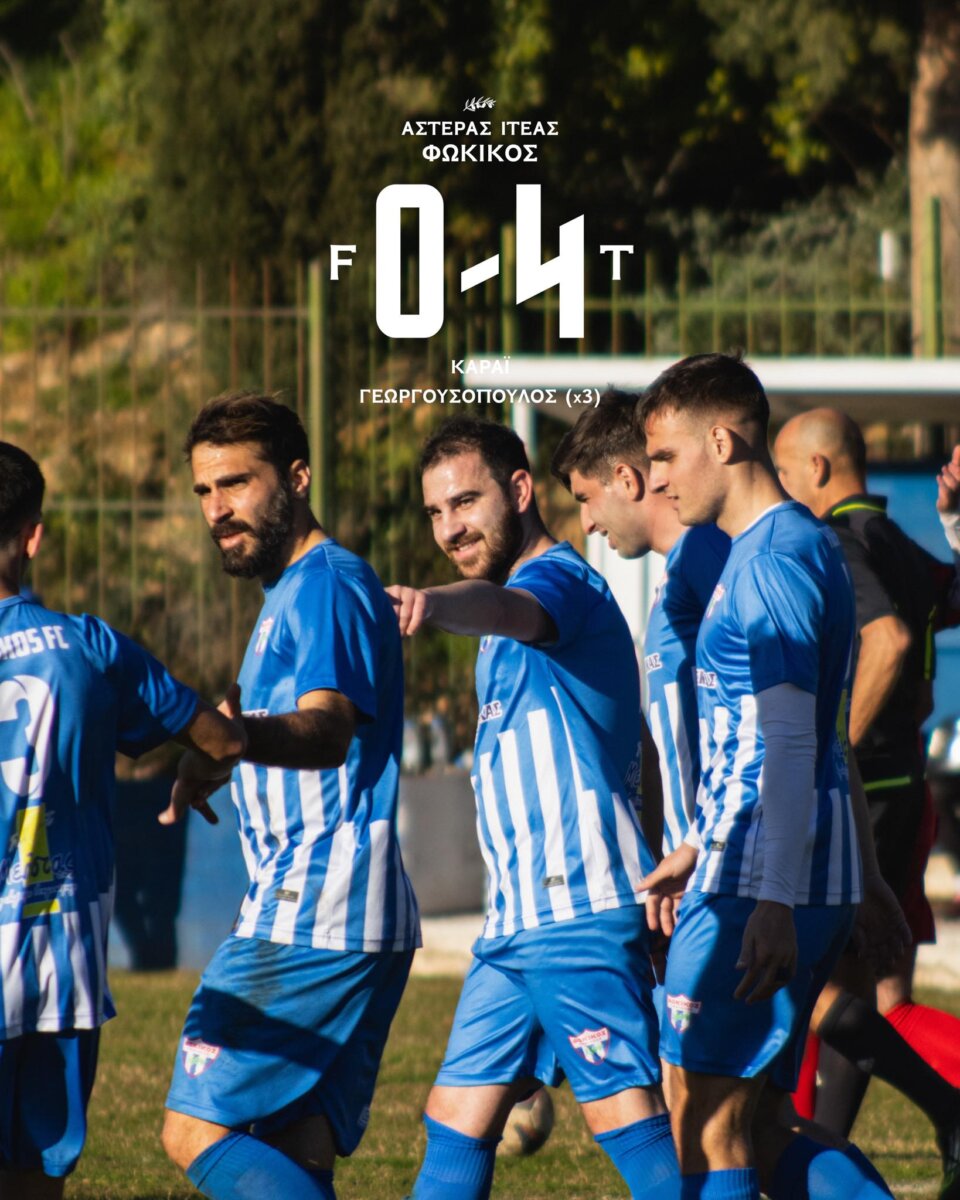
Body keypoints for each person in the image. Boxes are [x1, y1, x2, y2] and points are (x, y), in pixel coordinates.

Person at [388, 416, 680, 1200]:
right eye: (436, 512)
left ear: (519, 491)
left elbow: (506, 610)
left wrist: (431, 605)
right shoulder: (498, 621)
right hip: (518, 922)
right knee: (455, 1119)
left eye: (466, 502)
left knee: (632, 1121)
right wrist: (654, 863)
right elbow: (640, 745)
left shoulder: (556, 586)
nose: (449, 528)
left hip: (576, 910)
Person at [637, 354, 904, 1200]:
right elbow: (783, 738)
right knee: (757, 1123)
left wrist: (776, 900)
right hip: (760, 867)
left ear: (721, 442)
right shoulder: (783, 548)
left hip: (761, 884)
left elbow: (790, 746)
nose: (657, 479)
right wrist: (701, 845)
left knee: (704, 1120)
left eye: (666, 456)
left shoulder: (770, 564)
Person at [161, 393, 420, 1200]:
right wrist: (218, 758)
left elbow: (329, 729)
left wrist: (234, 738)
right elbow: (277, 729)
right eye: (204, 490)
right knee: (295, 1146)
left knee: (194, 1133)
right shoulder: (290, 594)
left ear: (298, 478)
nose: (216, 509)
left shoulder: (325, 585)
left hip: (317, 907)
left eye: (236, 483)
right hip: (344, 908)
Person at [0, 441, 245, 1197]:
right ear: (33, 536)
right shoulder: (90, 646)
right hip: (60, 968)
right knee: (35, 1177)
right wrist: (211, 752)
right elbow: (220, 740)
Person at [775, 410, 960, 1164]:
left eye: (783, 473)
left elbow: (891, 641)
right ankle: (820, 1151)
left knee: (812, 983)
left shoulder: (835, 541)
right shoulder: (895, 541)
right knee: (867, 994)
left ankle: (807, 1146)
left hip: (866, 790)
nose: (777, 489)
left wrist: (830, 749)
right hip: (903, 783)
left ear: (817, 469)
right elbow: (950, 600)